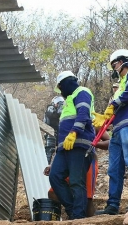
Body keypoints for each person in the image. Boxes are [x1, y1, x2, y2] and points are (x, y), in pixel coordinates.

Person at [94, 49, 128, 215]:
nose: (114, 68)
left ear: (124, 60)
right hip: (118, 129)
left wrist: (113, 104)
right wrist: (105, 116)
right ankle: (112, 205)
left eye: (115, 64)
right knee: (114, 168)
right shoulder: (122, 82)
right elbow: (119, 102)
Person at [48, 71, 95, 219]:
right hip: (64, 148)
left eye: (61, 87)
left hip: (79, 145)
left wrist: (74, 132)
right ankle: (73, 211)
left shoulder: (82, 92)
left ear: (68, 83)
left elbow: (83, 114)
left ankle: (78, 216)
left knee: (76, 182)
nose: (61, 91)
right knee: (55, 176)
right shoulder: (68, 101)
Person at [44, 133, 109, 217]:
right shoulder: (65, 121)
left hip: (86, 160)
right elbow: (61, 145)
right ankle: (72, 216)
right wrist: (53, 164)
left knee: (87, 199)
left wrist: (94, 143)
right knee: (53, 193)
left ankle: (85, 221)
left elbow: (108, 141)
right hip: (66, 160)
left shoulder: (93, 121)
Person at [43, 96, 64, 164]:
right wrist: (60, 107)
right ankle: (45, 165)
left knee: (61, 150)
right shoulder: (50, 108)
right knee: (49, 150)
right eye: (59, 103)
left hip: (59, 132)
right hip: (50, 132)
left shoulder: (61, 110)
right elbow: (56, 114)